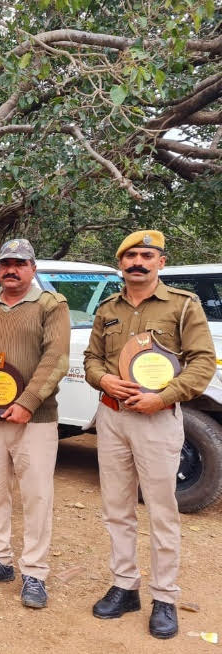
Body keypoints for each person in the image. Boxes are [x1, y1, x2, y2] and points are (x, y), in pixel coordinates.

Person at [84, 230, 215, 639]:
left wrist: (164, 397)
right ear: (121, 263)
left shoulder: (182, 305)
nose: (137, 262)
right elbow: (91, 359)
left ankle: (164, 596)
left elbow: (203, 361)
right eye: (130, 256)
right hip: (112, 418)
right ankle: (125, 586)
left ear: (161, 262)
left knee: (161, 511)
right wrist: (104, 379)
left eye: (146, 255)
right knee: (117, 508)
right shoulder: (108, 308)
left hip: (157, 420)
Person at [0, 239, 70, 608]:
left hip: (34, 421)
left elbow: (56, 357)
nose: (12, 269)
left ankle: (34, 572)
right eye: (6, 263)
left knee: (37, 497)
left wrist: (27, 402)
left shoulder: (50, 305)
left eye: (20, 264)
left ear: (33, 269)